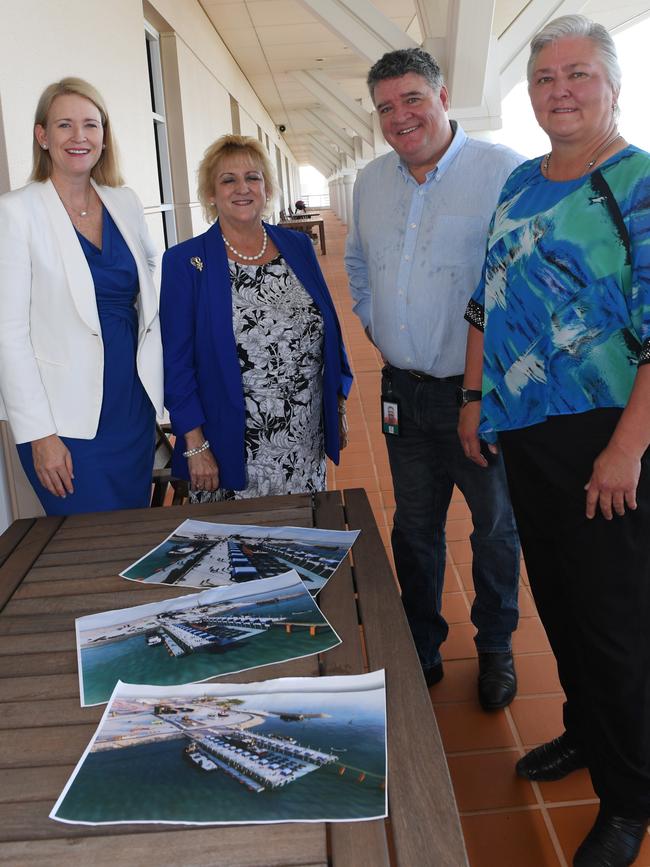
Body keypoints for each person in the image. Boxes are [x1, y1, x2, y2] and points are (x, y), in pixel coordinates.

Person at [459, 15, 650, 865]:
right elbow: (487, 298)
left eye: (578, 74)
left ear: (612, 85)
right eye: (544, 78)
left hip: (609, 435)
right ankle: (584, 731)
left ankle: (630, 795)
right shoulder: (521, 184)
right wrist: (475, 396)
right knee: (563, 604)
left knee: (616, 620)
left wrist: (627, 450)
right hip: (528, 434)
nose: (560, 89)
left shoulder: (637, 179)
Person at [345, 48, 522, 710]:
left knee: (495, 529)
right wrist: (378, 323)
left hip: (479, 396)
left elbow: (520, 283)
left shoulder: (504, 173)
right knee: (415, 527)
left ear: (444, 97)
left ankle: (497, 647)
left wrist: (487, 385)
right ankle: (421, 643)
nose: (400, 116)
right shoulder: (370, 182)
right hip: (403, 393)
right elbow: (358, 264)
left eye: (412, 99)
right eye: (386, 107)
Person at [0, 78, 163, 515]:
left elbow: (150, 268)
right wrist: (39, 434)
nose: (79, 137)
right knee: (86, 542)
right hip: (65, 420)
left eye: (91, 125)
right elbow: (8, 334)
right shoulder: (16, 213)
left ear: (104, 137)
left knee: (130, 533)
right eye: (64, 125)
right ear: (42, 136)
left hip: (131, 404)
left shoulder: (123, 201)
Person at [160, 135, 352, 501]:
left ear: (267, 188)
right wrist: (194, 444)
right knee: (239, 551)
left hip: (304, 436)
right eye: (228, 180)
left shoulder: (297, 246)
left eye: (253, 177)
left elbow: (329, 325)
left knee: (302, 541)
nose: (242, 188)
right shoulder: (186, 262)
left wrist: (337, 401)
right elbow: (177, 363)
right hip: (231, 446)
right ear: (211, 194)